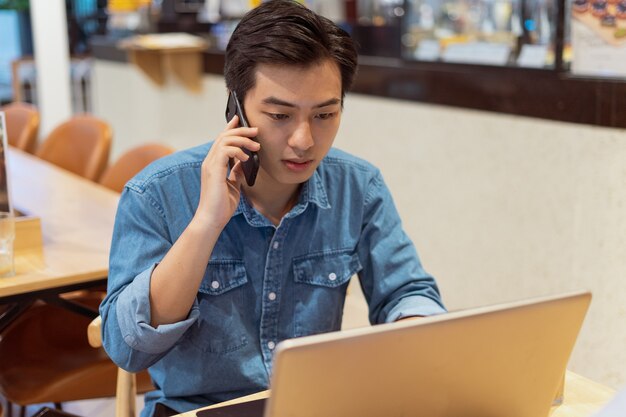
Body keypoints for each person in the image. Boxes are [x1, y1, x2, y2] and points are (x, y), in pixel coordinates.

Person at [99, 1, 446, 416]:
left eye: (325, 114)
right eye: (280, 115)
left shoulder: (358, 187)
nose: (304, 139)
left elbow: (408, 293)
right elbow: (126, 349)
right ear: (236, 107)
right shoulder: (157, 193)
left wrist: (420, 340)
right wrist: (206, 223)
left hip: (311, 406)